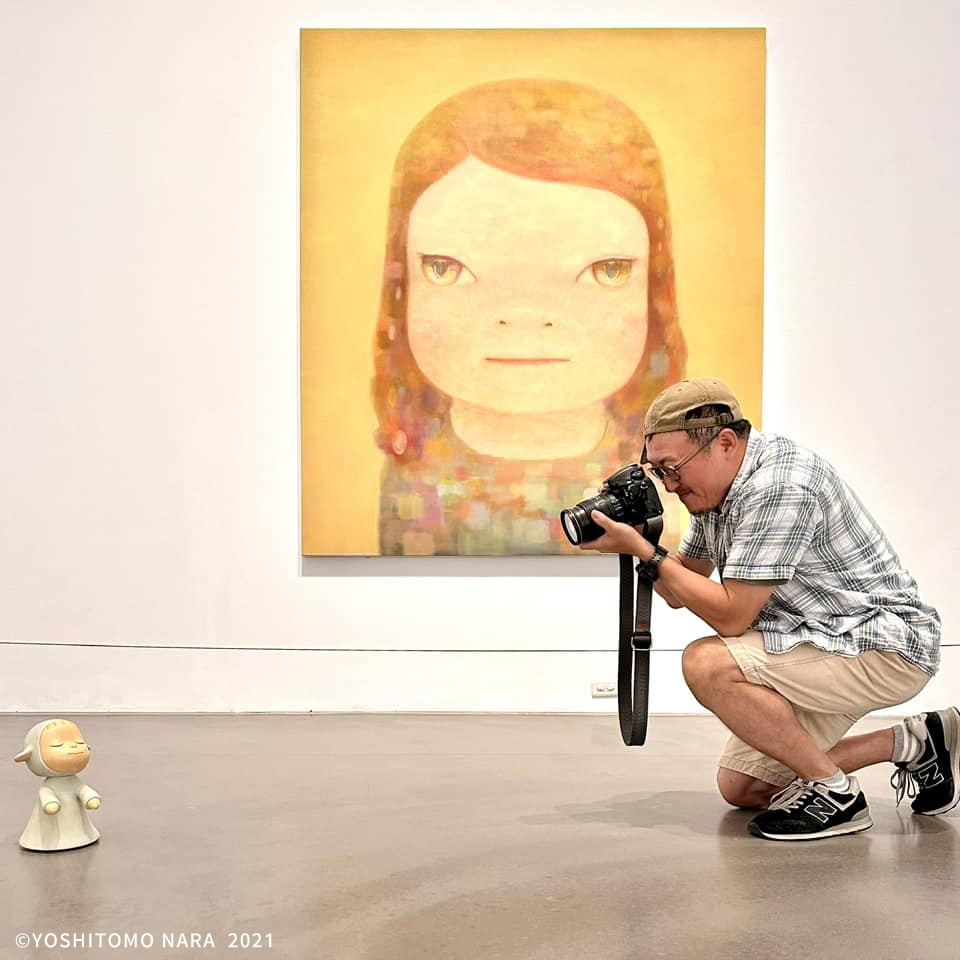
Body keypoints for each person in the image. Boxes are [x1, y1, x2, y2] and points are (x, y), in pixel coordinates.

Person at [581, 377, 953, 841]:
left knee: (706, 663)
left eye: (673, 468)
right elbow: (681, 587)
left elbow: (732, 617)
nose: (670, 485)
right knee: (745, 787)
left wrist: (645, 552)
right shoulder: (716, 494)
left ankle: (838, 796)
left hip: (881, 646)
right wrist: (641, 540)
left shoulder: (779, 486)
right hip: (814, 640)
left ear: (725, 443)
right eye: (658, 472)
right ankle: (918, 743)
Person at [371, 78, 688, 556]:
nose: (525, 317)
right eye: (446, 268)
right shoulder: (411, 475)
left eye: (606, 270)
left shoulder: (664, 481)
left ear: (653, 289)